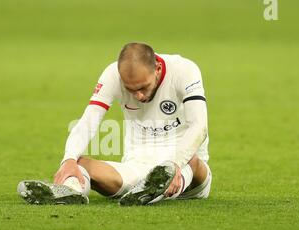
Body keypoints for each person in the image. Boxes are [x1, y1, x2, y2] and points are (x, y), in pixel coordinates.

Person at [17, 42, 212, 206]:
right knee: (79, 163)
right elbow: (89, 119)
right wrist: (68, 159)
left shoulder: (184, 70)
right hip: (137, 165)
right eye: (131, 89)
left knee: (192, 161)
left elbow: (199, 125)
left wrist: (176, 164)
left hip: (187, 170)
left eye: (143, 87)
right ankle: (71, 191)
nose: (139, 96)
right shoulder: (112, 75)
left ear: (158, 69)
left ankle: (159, 182)